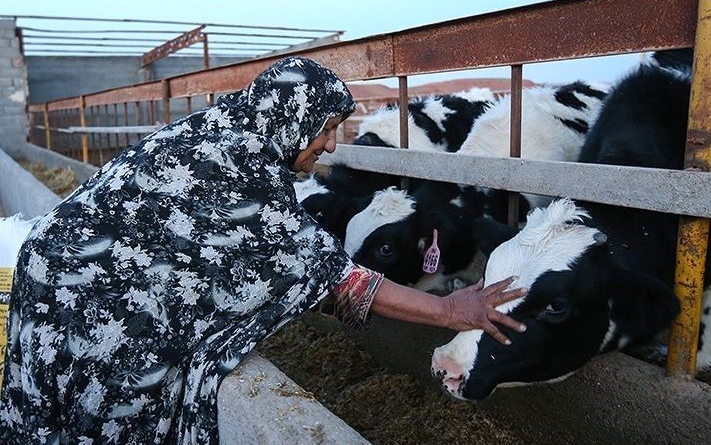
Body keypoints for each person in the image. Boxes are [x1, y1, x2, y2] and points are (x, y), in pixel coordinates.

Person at [0, 57, 525, 444]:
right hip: (85, 297)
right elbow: (329, 275)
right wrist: (447, 310)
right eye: (323, 129)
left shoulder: (222, 131)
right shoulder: (244, 178)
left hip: (50, 267)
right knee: (120, 400)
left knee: (49, 412)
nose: (331, 145)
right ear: (291, 119)